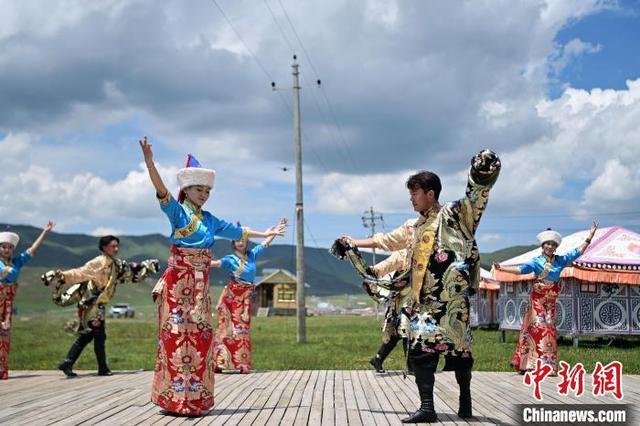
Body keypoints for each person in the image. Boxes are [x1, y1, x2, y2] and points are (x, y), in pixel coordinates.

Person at [337, 149, 500, 423]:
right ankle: (428, 408)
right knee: (421, 353)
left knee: (460, 355)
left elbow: (476, 195)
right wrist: (352, 242)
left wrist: (481, 172)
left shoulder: (456, 216)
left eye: (415, 193)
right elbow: (385, 241)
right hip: (424, 305)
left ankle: (465, 400)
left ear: (430, 194)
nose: (411, 199)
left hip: (453, 304)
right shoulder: (414, 227)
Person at [140, 137, 285, 416]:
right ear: (187, 189)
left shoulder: (210, 220)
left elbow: (237, 230)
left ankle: (195, 400)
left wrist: (266, 234)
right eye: (199, 189)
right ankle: (173, 399)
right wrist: (150, 163)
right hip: (177, 285)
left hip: (199, 287)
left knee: (201, 339)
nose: (204, 194)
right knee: (175, 337)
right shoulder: (177, 211)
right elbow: (160, 190)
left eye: (207, 190)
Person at [42, 235, 159, 377]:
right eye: (112, 246)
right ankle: (101, 368)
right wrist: (62, 275)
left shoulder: (116, 264)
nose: (116, 249)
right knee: (99, 336)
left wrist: (145, 268)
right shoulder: (98, 262)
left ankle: (68, 362)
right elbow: (80, 273)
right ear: (104, 247)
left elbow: (129, 273)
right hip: (91, 305)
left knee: (89, 335)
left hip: (99, 305)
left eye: (117, 246)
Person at [494, 222, 597, 376]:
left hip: (551, 303)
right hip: (537, 301)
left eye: (553, 244)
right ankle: (530, 364)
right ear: (543, 246)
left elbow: (578, 251)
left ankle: (547, 366)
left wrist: (590, 236)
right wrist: (501, 268)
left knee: (549, 331)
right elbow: (520, 270)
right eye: (547, 244)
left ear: (555, 247)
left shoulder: (560, 260)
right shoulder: (536, 262)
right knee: (536, 328)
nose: (550, 246)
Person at [212, 218, 287, 374]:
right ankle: (220, 363)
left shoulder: (252, 255)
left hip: (245, 299)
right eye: (237, 240)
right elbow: (216, 264)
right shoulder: (229, 259)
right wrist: (198, 259)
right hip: (230, 298)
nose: (240, 242)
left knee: (242, 330)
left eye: (243, 240)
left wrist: (275, 230)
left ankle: (241, 363)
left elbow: (265, 243)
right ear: (233, 242)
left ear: (247, 242)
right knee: (225, 330)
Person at [0, 222, 54, 379]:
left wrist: (44, 232)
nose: (7, 250)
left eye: (10, 247)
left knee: (4, 334)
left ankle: (2, 369)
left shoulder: (16, 262)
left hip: (8, 303)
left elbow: (31, 250)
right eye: (3, 246)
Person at [365, 249, 412, 374]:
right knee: (406, 331)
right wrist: (372, 271)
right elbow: (388, 267)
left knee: (396, 334)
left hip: (408, 300)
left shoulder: (420, 255)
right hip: (400, 301)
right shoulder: (402, 255)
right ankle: (411, 366)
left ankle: (378, 359)